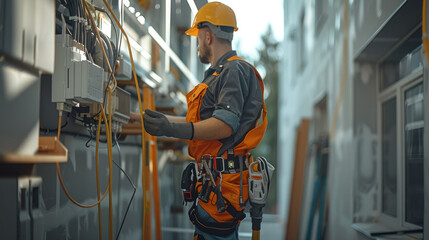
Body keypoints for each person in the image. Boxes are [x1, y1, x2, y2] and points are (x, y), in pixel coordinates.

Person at [143, 2, 267, 239]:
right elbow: (199, 121)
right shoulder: (220, 74)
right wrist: (149, 119)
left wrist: (172, 129)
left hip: (221, 189)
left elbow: (224, 124)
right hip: (217, 185)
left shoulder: (232, 71)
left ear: (208, 36)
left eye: (198, 37)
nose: (198, 43)